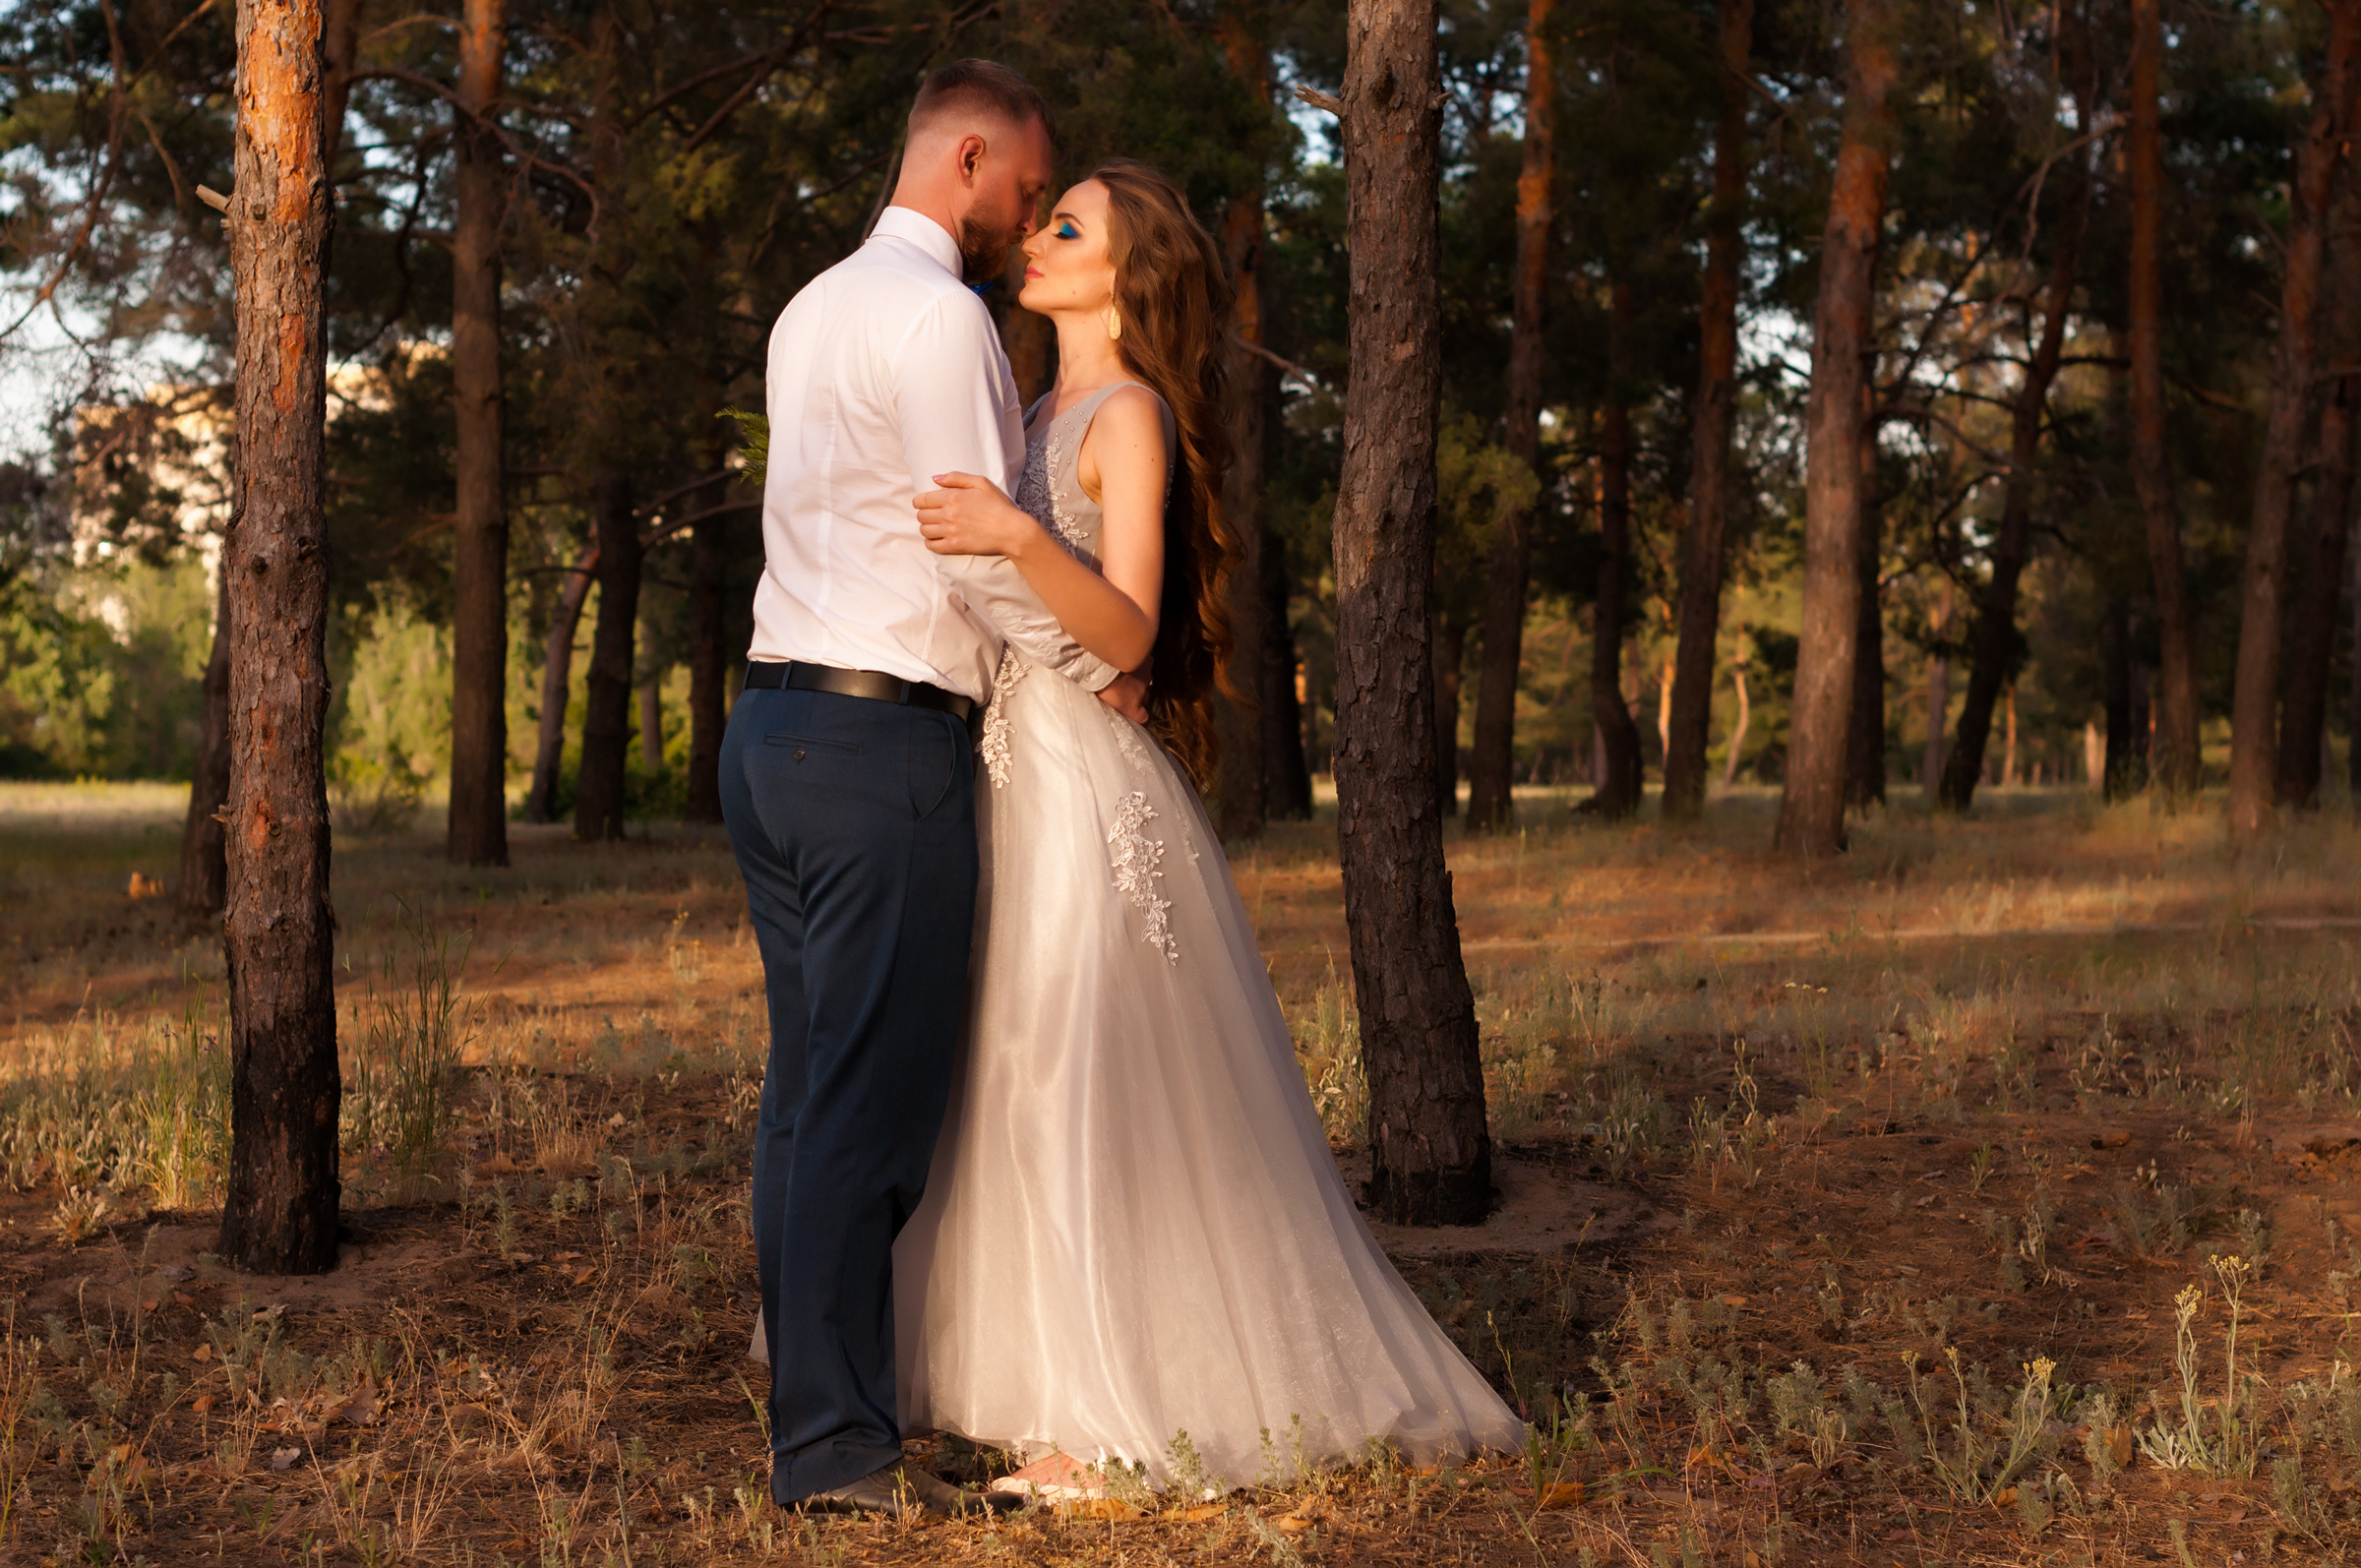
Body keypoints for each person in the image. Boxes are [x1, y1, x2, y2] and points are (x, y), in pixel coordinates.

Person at [891, 158, 1525, 1496]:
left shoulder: (1124, 415)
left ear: (1132, 276)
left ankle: (1106, 1407)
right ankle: (1020, 1378)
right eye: (1047, 218)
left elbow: (1123, 626)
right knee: (998, 1074)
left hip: (1078, 783)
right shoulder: (1025, 404)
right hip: (1002, 764)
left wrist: (1012, 532)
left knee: (1072, 1073)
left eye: (1072, 227)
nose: (1039, 239)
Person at [718, 59, 1146, 1523]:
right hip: (872, 747)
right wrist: (1095, 661)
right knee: (865, 1108)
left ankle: (834, 1411)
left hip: (766, 735)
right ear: (968, 159)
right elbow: (975, 547)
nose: (1024, 214)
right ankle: (837, 1448)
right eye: (1025, 187)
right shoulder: (944, 315)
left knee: (803, 1095)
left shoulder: (811, 306)